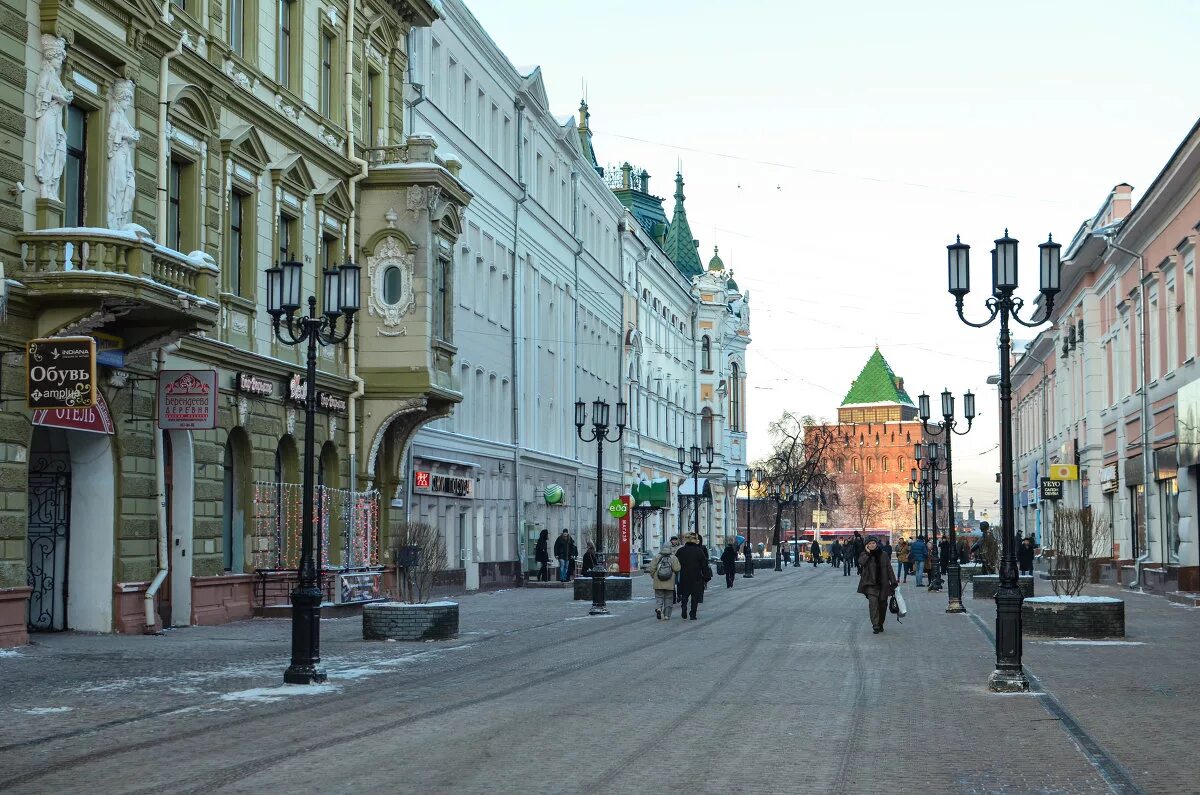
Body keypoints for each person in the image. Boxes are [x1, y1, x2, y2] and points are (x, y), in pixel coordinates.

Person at [857, 535, 898, 633]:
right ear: (867, 545)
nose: (872, 545)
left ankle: (880, 623)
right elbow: (861, 562)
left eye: (873, 543)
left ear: (876, 544)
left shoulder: (883, 554)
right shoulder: (864, 554)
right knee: (873, 604)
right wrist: (867, 553)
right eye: (869, 543)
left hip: (883, 584)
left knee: (882, 605)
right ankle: (875, 625)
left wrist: (893, 582)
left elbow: (889, 569)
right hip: (870, 584)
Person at [675, 533, 710, 620]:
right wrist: (706, 576)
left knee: (685, 595)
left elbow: (675, 563)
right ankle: (693, 614)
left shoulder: (680, 551)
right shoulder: (699, 551)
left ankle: (684, 608)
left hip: (684, 577)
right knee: (695, 596)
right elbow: (704, 565)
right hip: (696, 577)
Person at [651, 543, 681, 619]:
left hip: (658, 580)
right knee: (669, 598)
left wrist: (653, 576)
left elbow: (652, 568)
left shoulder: (657, 556)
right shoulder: (673, 557)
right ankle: (667, 615)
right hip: (670, 581)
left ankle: (658, 608)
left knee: (659, 597)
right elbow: (677, 569)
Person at [669, 535, 682, 602]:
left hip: (678, 566)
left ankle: (679, 595)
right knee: (672, 582)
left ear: (677, 541)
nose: (674, 541)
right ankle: (673, 597)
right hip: (670, 567)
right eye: (672, 540)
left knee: (679, 582)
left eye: (675, 540)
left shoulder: (680, 547)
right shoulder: (669, 548)